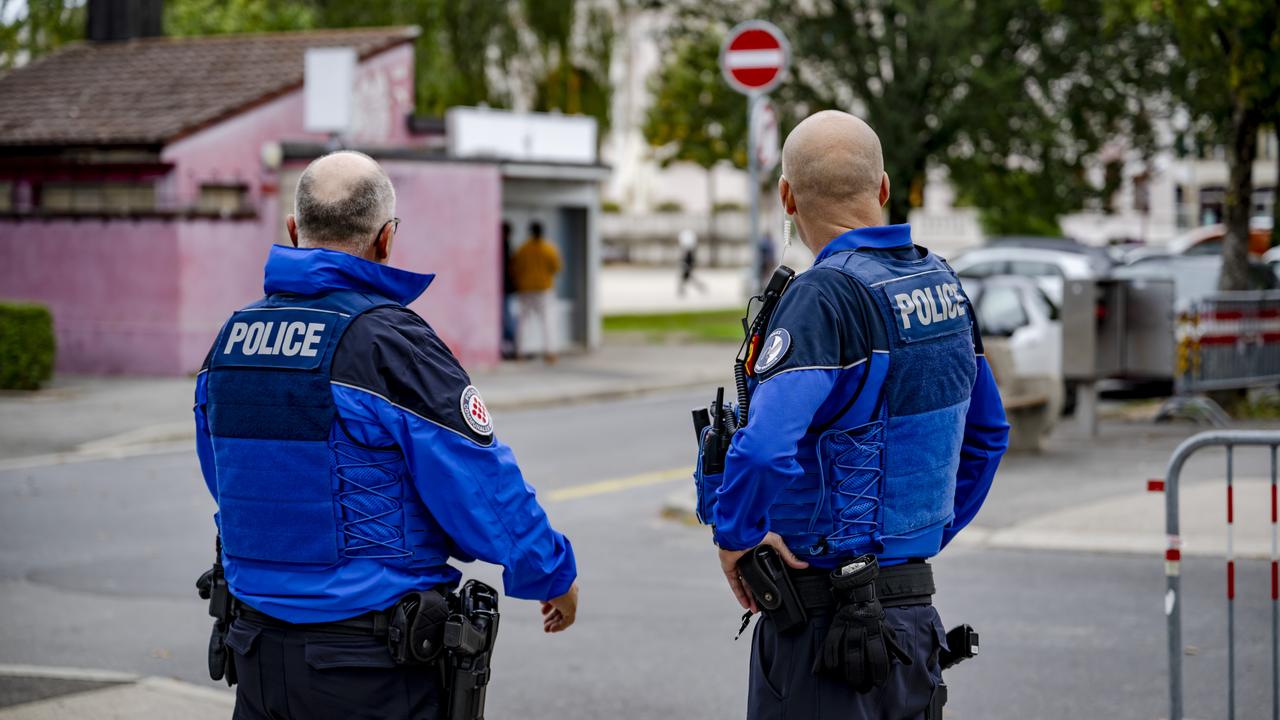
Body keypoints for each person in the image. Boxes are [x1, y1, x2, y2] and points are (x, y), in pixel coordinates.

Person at [193, 151, 579, 720]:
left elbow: (221, 477)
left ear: (294, 231)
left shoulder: (230, 341)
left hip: (254, 655)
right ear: (386, 239)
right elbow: (479, 480)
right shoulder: (387, 342)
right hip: (367, 666)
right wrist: (551, 572)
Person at [709, 111, 1009, 719]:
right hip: (913, 622)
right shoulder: (942, 284)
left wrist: (735, 539)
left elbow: (766, 447)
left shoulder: (822, 297)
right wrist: (912, 542)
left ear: (787, 197)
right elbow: (988, 437)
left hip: (824, 634)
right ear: (884, 188)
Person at [511, 220, 562, 363]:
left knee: (523, 323)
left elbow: (515, 268)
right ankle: (550, 353)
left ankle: (520, 353)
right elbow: (556, 267)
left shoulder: (523, 249)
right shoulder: (549, 249)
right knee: (548, 322)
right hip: (544, 289)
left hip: (525, 289)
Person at [500, 221, 517, 359]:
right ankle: (511, 347)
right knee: (507, 319)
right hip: (504, 287)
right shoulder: (503, 246)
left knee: (506, 318)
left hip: (504, 288)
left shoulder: (502, 245)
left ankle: (510, 347)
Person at [677, 227, 708, 296]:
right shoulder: (690, 250)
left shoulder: (689, 252)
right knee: (687, 276)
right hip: (688, 263)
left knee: (687, 276)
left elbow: (689, 259)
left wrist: (685, 263)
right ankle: (698, 286)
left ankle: (699, 286)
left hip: (688, 263)